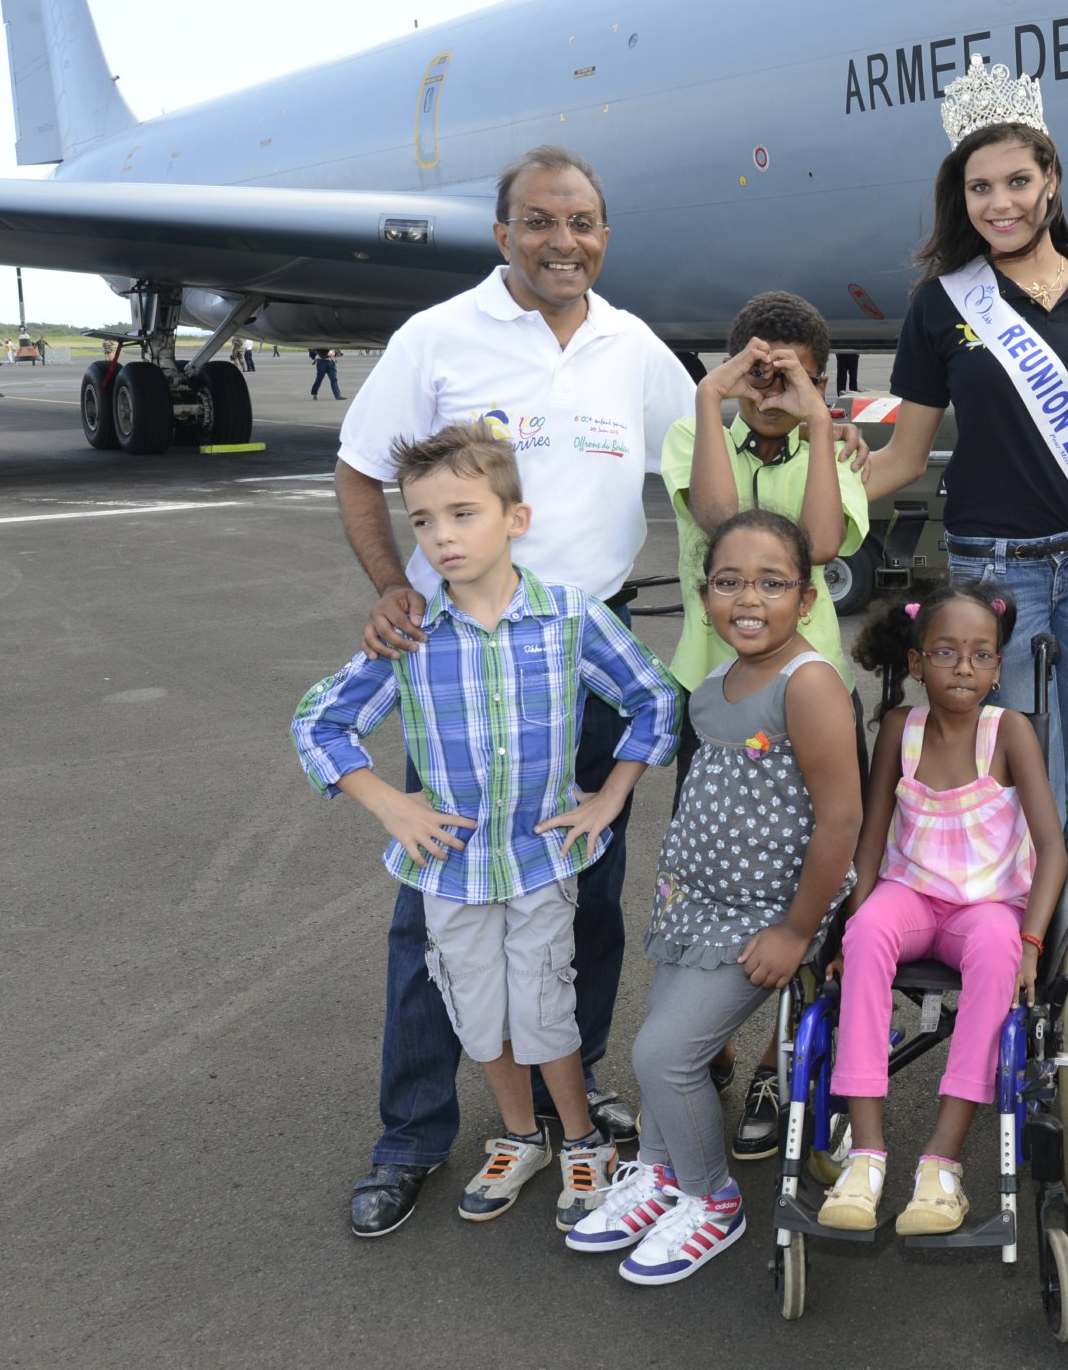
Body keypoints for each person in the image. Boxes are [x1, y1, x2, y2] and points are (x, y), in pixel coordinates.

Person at [331, 143, 698, 1238]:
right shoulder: (438, 337)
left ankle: (566, 1104)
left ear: (603, 234)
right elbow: (359, 465)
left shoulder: (635, 347)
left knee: (583, 894)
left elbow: (704, 456)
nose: (563, 241)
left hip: (589, 647)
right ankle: (412, 1133)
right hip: (465, 659)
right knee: (438, 904)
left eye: (582, 222)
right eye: (539, 222)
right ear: (503, 235)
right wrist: (395, 585)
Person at [293, 423, 678, 1231]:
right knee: (476, 1012)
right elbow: (319, 724)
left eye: (462, 514)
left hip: (541, 860)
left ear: (516, 519)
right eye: (424, 521)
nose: (441, 537)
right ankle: (517, 1135)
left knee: (544, 1008)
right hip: (450, 869)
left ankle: (578, 1139)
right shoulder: (410, 636)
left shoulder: (569, 618)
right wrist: (392, 806)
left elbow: (656, 698)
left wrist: (609, 797)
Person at [860, 56, 1068, 849]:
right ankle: (1006, 948)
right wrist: (819, 493)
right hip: (993, 573)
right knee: (1005, 775)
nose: (1000, 203)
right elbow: (901, 456)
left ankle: (1060, 962)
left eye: (1018, 181)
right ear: (961, 197)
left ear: (1051, 181)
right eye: (980, 187)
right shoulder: (943, 305)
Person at [566, 510, 860, 1285]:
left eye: (771, 582)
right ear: (703, 597)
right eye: (729, 582)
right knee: (660, 1038)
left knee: (665, 1056)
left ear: (807, 596)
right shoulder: (713, 687)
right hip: (699, 902)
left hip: (772, 911)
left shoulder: (811, 685)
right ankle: (663, 1175)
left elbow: (842, 820)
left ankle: (712, 1198)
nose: (748, 598)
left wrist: (798, 930)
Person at [662, 291, 867, 1160]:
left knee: (811, 885)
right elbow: (717, 519)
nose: (771, 389)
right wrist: (714, 400)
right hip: (711, 693)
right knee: (715, 868)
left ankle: (787, 1061)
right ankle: (706, 1049)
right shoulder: (694, 429)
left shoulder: (829, 441)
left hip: (808, 700)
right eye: (759, 372)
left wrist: (821, 422)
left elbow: (820, 542)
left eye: (791, 375)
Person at [818, 581, 1068, 1235]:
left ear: (997, 669)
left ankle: (941, 1163)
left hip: (987, 905)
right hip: (910, 896)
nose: (965, 666)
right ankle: (866, 1157)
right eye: (948, 652)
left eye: (981, 655)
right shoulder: (901, 727)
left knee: (996, 946)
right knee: (869, 929)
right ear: (916, 661)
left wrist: (1034, 943)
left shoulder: (1008, 731)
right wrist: (850, 923)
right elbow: (873, 832)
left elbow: (1053, 850)